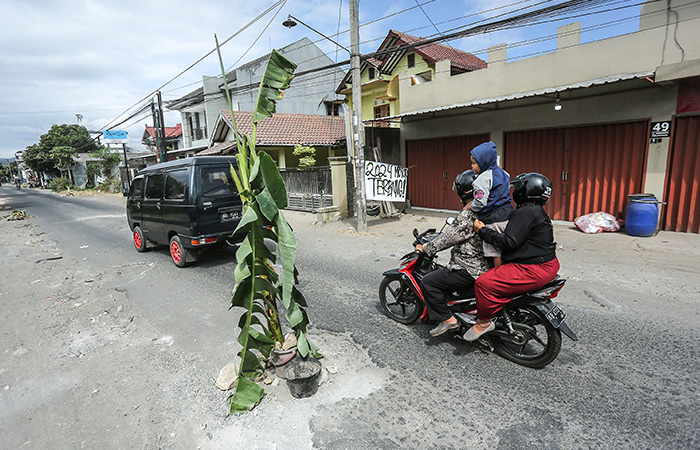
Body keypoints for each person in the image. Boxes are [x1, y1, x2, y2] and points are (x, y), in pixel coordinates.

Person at [464, 172, 559, 341]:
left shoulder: (526, 212)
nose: (514, 191)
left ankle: (483, 322)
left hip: (532, 269)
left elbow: (509, 242)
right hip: (547, 264)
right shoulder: (536, 211)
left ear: (525, 191)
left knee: (484, 284)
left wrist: (482, 230)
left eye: (517, 188)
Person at [415, 170, 490, 337]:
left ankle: (448, 319)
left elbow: (447, 239)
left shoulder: (468, 214)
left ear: (463, 192)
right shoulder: (487, 208)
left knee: (428, 282)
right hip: (486, 265)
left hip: (469, 269)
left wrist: (425, 248)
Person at [468, 141, 514, 268]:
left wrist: (471, 206)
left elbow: (480, 201)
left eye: (474, 163)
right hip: (508, 214)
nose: (472, 166)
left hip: (493, 219)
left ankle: (497, 274)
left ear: (484, 162)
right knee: (504, 246)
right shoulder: (504, 174)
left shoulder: (482, 179)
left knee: (495, 251)